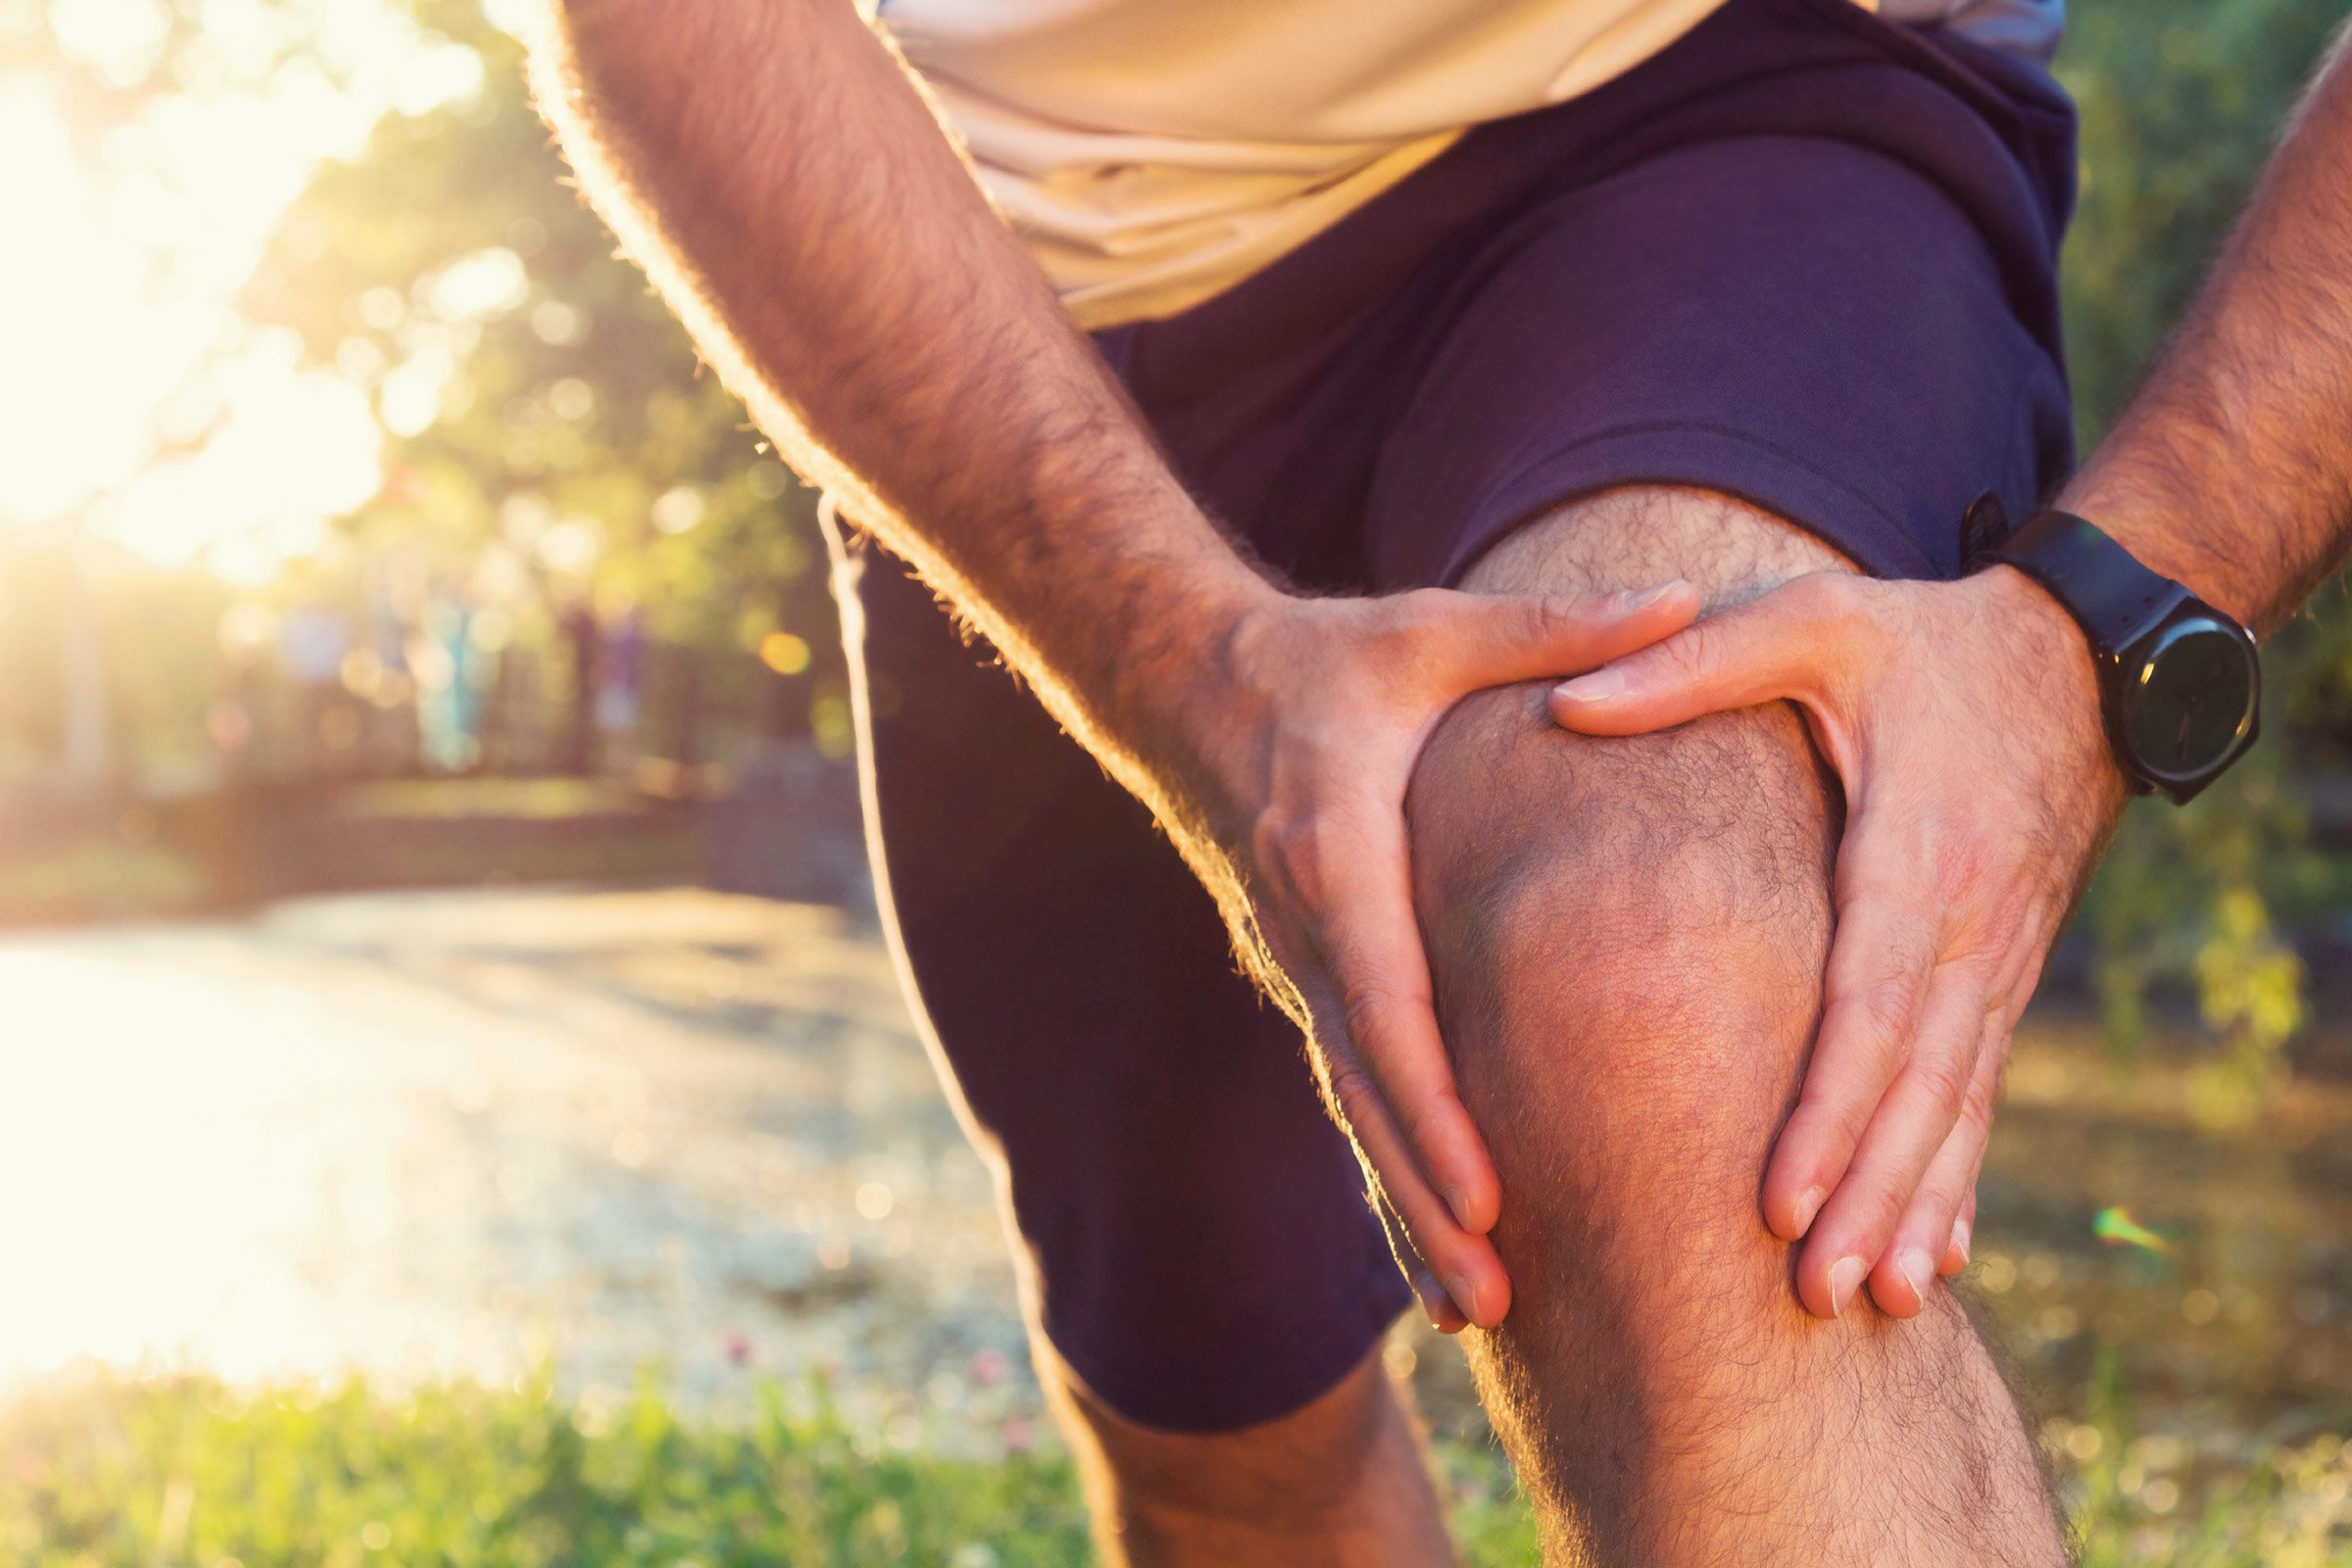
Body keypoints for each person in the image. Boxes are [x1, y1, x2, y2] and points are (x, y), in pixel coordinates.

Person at [525, 0, 2348, 1558]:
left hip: (1701, 98)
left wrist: (2110, 615)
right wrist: (1176, 666)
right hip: (1001, 272)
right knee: (1225, 1410)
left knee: (1654, 972)